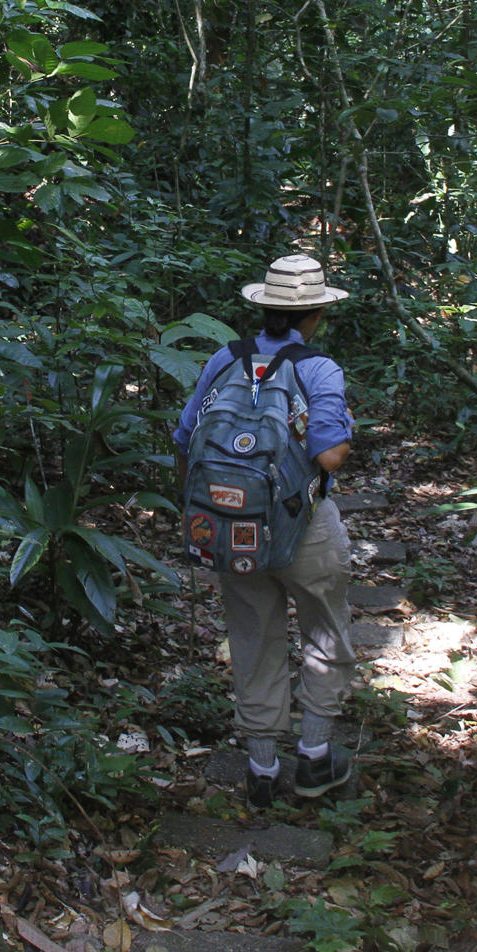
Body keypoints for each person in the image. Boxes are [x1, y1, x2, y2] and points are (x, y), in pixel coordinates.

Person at [172, 253, 357, 808]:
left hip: (233, 526)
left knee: (253, 639)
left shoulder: (224, 359)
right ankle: (316, 758)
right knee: (325, 631)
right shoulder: (318, 369)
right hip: (304, 526)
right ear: (317, 313)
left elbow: (186, 439)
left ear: (263, 307)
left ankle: (260, 767)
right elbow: (329, 456)